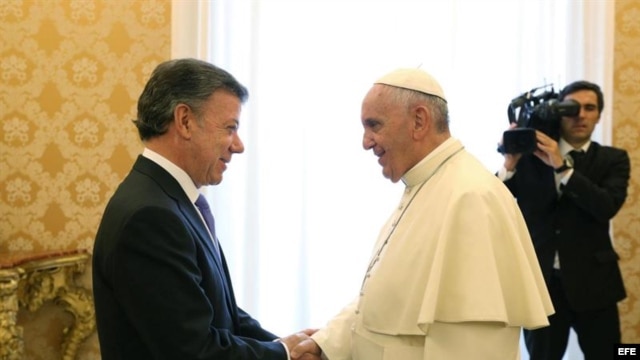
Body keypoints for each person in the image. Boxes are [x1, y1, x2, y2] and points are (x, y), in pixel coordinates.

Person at [290, 68, 554, 360]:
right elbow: (384, 299)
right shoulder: (424, 185)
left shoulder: (471, 197)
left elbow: (473, 348)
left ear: (418, 121)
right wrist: (327, 342)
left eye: (374, 125)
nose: (366, 142)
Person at [92, 58, 318, 360]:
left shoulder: (170, 200)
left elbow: (216, 310)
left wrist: (285, 344)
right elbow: (192, 349)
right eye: (229, 128)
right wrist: (284, 354)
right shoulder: (150, 216)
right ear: (185, 121)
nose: (238, 145)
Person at [497, 80, 631, 360]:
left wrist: (560, 164)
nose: (580, 114)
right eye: (570, 108)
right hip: (543, 287)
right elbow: (494, 204)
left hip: (595, 285)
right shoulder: (529, 158)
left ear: (598, 115)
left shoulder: (613, 159)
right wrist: (509, 163)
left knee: (617, 354)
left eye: (589, 108)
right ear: (559, 113)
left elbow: (605, 206)